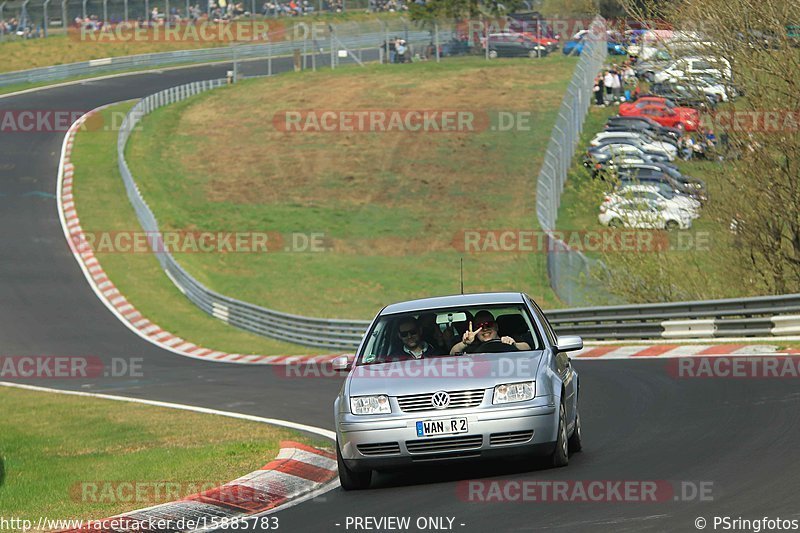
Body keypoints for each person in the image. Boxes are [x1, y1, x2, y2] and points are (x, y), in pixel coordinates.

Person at [449, 311, 531, 354]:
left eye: (489, 324)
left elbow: (528, 348)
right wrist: (464, 343)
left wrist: (514, 344)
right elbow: (453, 353)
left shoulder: (509, 340)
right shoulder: (472, 348)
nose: (485, 329)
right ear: (475, 331)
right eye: (479, 326)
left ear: (496, 326)